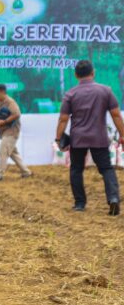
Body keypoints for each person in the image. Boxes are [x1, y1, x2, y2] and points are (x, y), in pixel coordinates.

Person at [55, 60, 124, 215]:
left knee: (76, 169)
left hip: (78, 138)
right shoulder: (106, 91)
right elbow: (116, 116)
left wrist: (58, 139)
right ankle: (113, 198)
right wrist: (123, 135)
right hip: (99, 137)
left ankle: (80, 203)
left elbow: (63, 119)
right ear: (93, 73)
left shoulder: (70, 94)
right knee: (106, 169)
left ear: (75, 75)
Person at [0, 84, 32, 181]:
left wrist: (4, 122)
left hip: (12, 131)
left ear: (2, 92)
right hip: (4, 131)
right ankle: (26, 172)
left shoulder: (10, 102)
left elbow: (17, 114)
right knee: (13, 153)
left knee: (3, 151)